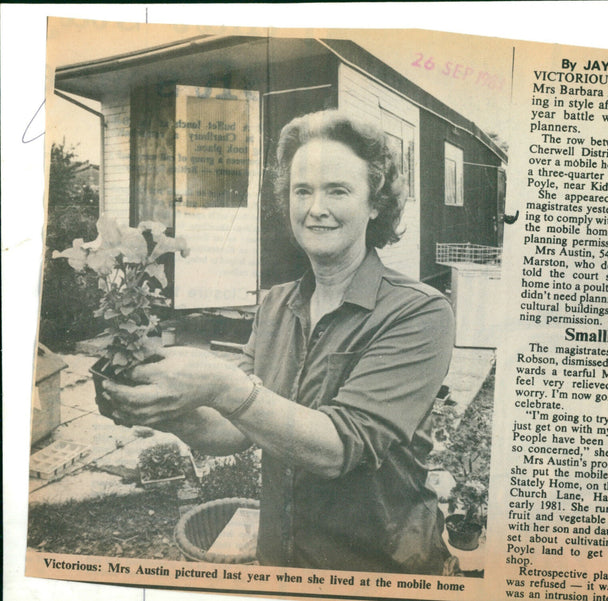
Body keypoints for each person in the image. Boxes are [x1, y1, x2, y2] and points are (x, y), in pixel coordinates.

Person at [104, 110, 457, 575]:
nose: (316, 208)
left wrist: (220, 384)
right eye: (302, 190)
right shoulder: (275, 305)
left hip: (379, 569)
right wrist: (165, 408)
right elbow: (234, 430)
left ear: (375, 203)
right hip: (282, 561)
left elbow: (337, 448)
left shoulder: (419, 312)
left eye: (338, 190)